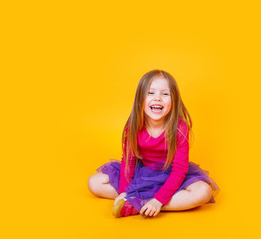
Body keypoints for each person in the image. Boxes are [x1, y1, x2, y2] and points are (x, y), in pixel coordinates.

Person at [88, 69, 220, 218]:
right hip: (142, 174)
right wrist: (123, 193)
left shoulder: (180, 129)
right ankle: (133, 199)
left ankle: (143, 204)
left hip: (172, 176)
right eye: (151, 93)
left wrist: (159, 200)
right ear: (140, 100)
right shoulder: (134, 126)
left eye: (165, 94)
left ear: (173, 101)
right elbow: (129, 162)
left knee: (203, 192)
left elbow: (179, 170)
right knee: (94, 182)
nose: (157, 98)